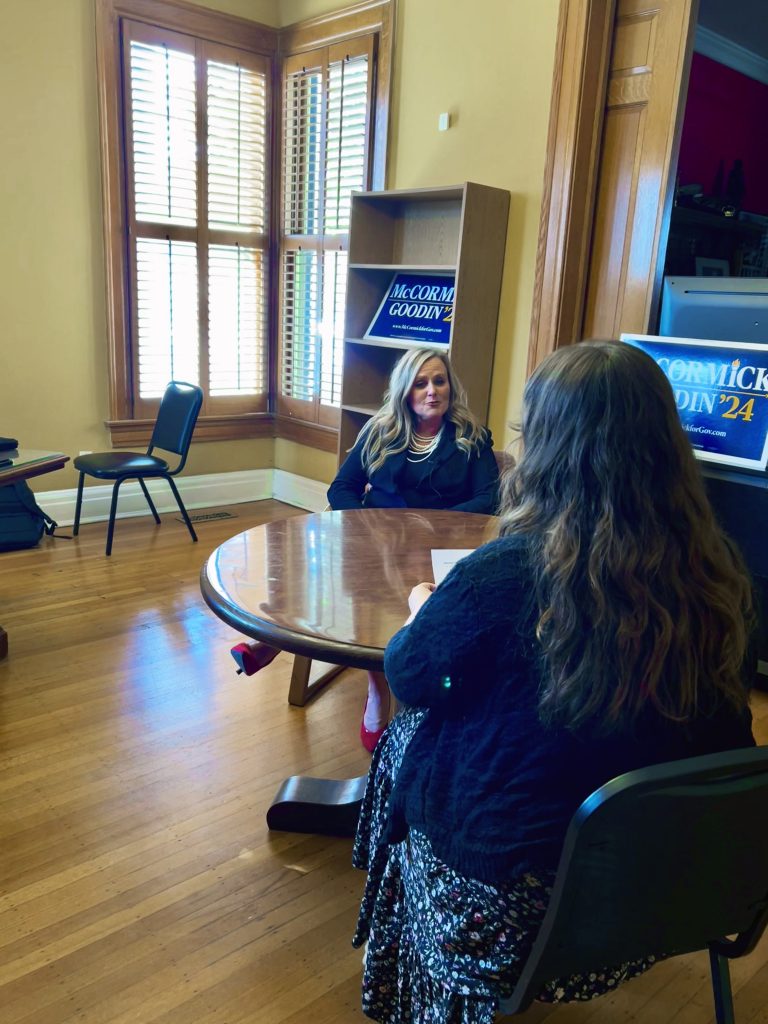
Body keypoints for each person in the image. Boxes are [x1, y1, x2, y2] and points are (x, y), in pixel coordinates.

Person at [351, 340, 756, 1024]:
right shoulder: (718, 578)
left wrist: (425, 609)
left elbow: (410, 673)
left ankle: (408, 983)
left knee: (406, 737)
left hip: (512, 918)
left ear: (546, 450)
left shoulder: (505, 572)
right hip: (673, 890)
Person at [231, 348, 500, 755]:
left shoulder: (472, 438)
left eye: (439, 381)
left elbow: (488, 498)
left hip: (440, 547)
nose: (432, 391)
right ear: (405, 391)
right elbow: (341, 489)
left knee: (382, 599)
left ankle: (359, 681)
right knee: (334, 582)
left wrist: (432, 523)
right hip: (378, 542)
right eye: (421, 383)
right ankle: (366, 683)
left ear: (451, 386)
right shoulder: (380, 431)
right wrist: (368, 527)